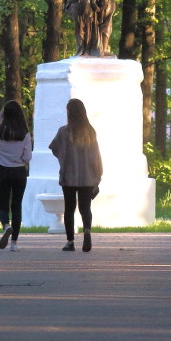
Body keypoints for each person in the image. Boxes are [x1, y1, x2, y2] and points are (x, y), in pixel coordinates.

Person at [48, 98, 103, 252]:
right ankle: (87, 230)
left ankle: (70, 242)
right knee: (85, 208)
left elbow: (54, 148)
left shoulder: (63, 132)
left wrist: (65, 158)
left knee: (69, 209)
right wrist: (98, 175)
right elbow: (96, 156)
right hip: (87, 177)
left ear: (69, 113)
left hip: (68, 177)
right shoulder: (90, 132)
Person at [0, 100, 32, 251]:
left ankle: (6, 226)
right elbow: (27, 157)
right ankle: (14, 244)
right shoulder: (25, 134)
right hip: (19, 172)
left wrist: (0, 116)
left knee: (3, 204)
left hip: (3, 171)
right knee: (16, 206)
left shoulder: (0, 133)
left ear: (5, 115)